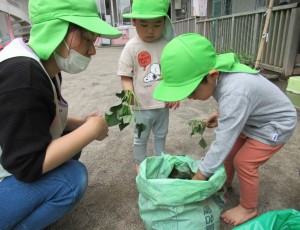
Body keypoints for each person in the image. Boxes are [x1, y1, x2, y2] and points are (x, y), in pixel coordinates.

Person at [153, 33, 297, 226]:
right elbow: (241, 106)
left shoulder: (235, 90)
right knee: (229, 154)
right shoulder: (221, 76)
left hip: (275, 124)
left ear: (212, 76)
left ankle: (248, 208)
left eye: (192, 91)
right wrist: (223, 118)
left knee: (243, 162)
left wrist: (201, 175)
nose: (190, 97)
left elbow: (223, 139)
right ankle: (223, 184)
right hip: (254, 120)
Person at [0, 0, 121, 228]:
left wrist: (80, 124)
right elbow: (27, 165)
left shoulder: (41, 64)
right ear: (57, 31)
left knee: (71, 147)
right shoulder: (24, 78)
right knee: (72, 179)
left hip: (9, 159)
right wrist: (91, 130)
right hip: (14, 168)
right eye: (87, 38)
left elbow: (35, 121)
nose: (93, 49)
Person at [117, 0, 180, 172]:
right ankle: (141, 164)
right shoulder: (131, 47)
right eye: (144, 24)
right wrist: (129, 95)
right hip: (141, 107)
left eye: (157, 24)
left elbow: (171, 75)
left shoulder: (166, 45)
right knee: (140, 138)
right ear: (134, 22)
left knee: (161, 135)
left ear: (164, 22)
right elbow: (125, 76)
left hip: (162, 105)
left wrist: (174, 94)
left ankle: (160, 161)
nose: (151, 30)